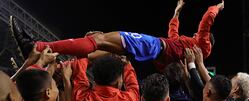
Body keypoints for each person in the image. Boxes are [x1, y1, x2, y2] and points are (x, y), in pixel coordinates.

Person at [9, 0, 224, 71]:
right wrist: (176, 13)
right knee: (98, 52)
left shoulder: (202, 45)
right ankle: (51, 64)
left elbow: (205, 23)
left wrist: (216, 7)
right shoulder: (186, 46)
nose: (196, 33)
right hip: (156, 51)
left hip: (154, 46)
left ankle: (36, 47)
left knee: (99, 38)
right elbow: (173, 34)